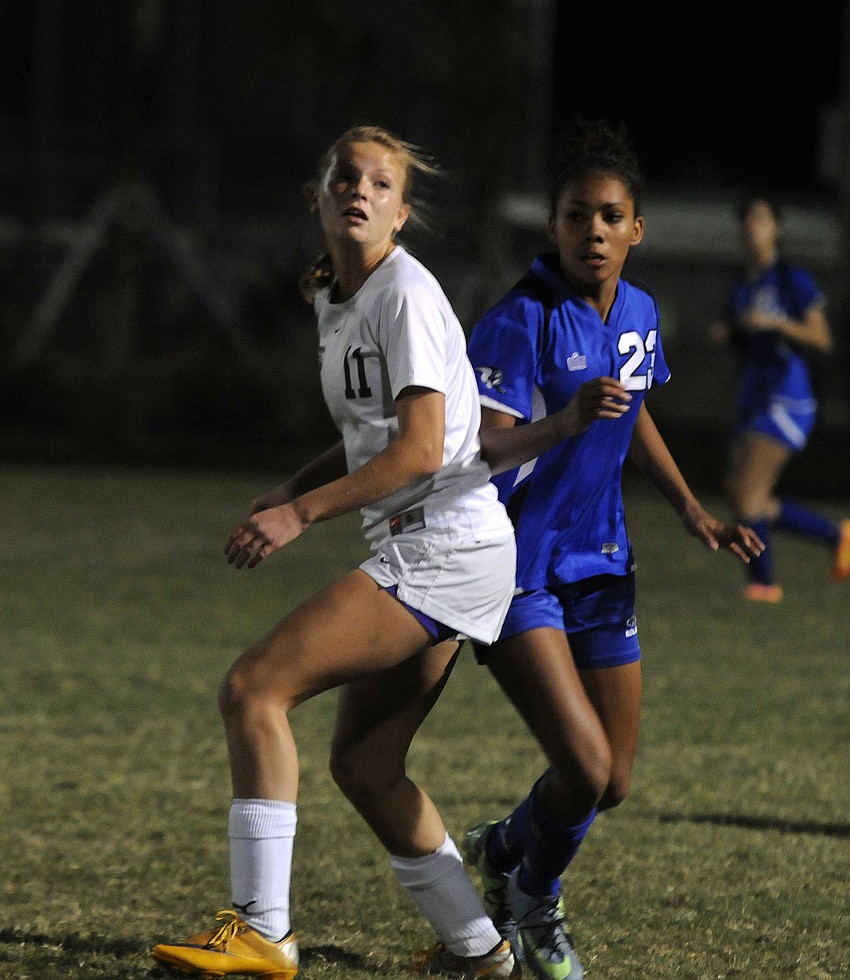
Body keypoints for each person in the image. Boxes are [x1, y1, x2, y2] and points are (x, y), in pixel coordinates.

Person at [151, 126, 525, 980]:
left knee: (253, 689)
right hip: (443, 547)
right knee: (364, 763)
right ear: (319, 200)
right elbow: (371, 439)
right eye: (345, 179)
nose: (360, 191)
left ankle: (263, 932)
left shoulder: (403, 294)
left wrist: (302, 516)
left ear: (401, 211)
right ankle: (478, 951)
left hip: (444, 544)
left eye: (381, 183)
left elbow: (420, 451)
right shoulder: (337, 297)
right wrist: (293, 489)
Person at [461, 118, 764, 980]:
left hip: (602, 560)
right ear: (552, 227)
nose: (591, 230)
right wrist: (562, 419)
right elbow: (484, 450)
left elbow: (636, 416)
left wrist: (692, 513)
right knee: (583, 767)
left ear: (637, 229)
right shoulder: (520, 320)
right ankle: (533, 907)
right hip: (517, 569)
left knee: (614, 779)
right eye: (574, 216)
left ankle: (506, 843)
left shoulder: (639, 312)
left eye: (609, 215)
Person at [708, 192, 850, 603]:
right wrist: (732, 334)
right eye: (747, 220)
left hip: (787, 399)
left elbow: (821, 338)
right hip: (756, 396)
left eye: (762, 219)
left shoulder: (791, 278)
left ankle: (765, 584)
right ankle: (835, 535)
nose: (753, 227)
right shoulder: (744, 284)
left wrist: (775, 323)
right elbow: (748, 335)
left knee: (748, 495)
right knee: (742, 493)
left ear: (777, 229)